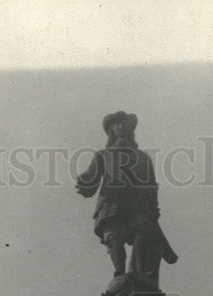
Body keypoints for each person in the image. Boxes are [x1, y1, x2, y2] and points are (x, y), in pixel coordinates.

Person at [76, 111, 178, 282]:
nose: (121, 126)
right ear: (111, 131)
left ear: (131, 128)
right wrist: (85, 182)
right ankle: (119, 274)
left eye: (125, 123)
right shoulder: (103, 155)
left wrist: (153, 208)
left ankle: (139, 271)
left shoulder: (143, 157)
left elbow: (151, 185)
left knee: (143, 233)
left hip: (138, 204)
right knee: (115, 237)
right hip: (111, 203)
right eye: (117, 124)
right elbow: (90, 177)